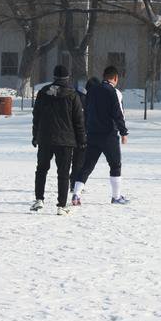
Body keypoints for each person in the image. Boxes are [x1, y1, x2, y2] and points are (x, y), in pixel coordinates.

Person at [31, 65, 86, 215]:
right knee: (63, 173)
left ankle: (39, 200)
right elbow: (78, 120)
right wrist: (81, 140)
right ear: (67, 78)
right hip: (65, 140)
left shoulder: (43, 93)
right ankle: (61, 205)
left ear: (54, 77)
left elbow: (36, 116)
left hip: (45, 138)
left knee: (41, 169)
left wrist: (35, 135)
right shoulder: (72, 95)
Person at [71, 66, 129, 205]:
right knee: (115, 165)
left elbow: (87, 112)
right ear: (115, 78)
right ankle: (116, 197)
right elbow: (117, 113)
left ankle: (76, 194)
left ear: (103, 76)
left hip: (92, 134)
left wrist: (86, 129)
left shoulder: (91, 92)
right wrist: (123, 131)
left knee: (87, 165)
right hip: (108, 135)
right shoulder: (113, 92)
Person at [70, 77, 100, 193]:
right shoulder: (85, 99)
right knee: (79, 160)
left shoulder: (80, 96)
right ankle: (74, 183)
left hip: (75, 132)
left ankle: (74, 182)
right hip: (81, 133)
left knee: (78, 160)